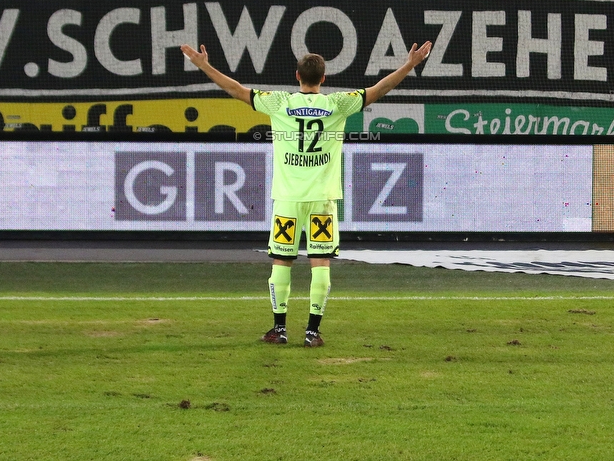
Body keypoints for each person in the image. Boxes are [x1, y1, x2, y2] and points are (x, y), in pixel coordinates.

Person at [180, 41, 432, 347]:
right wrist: (409, 65)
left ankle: (279, 329)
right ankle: (312, 332)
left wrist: (203, 65)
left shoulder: (279, 103)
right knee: (320, 263)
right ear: (323, 79)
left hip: (287, 198)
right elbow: (379, 89)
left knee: (281, 263)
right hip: (322, 199)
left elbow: (235, 89)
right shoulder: (339, 104)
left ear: (297, 76)